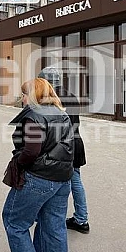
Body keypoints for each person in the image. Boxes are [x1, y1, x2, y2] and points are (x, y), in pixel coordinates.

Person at [2, 78, 74, 252]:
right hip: (62, 179)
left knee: (14, 222)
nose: (22, 98)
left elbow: (31, 151)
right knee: (54, 227)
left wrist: (19, 162)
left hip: (39, 178)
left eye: (24, 94)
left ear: (33, 96)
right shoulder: (61, 113)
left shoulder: (34, 115)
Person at [39, 67, 89, 234]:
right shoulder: (71, 95)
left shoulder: (52, 99)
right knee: (75, 181)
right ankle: (81, 218)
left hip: (63, 147)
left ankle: (67, 219)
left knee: (61, 182)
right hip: (76, 142)